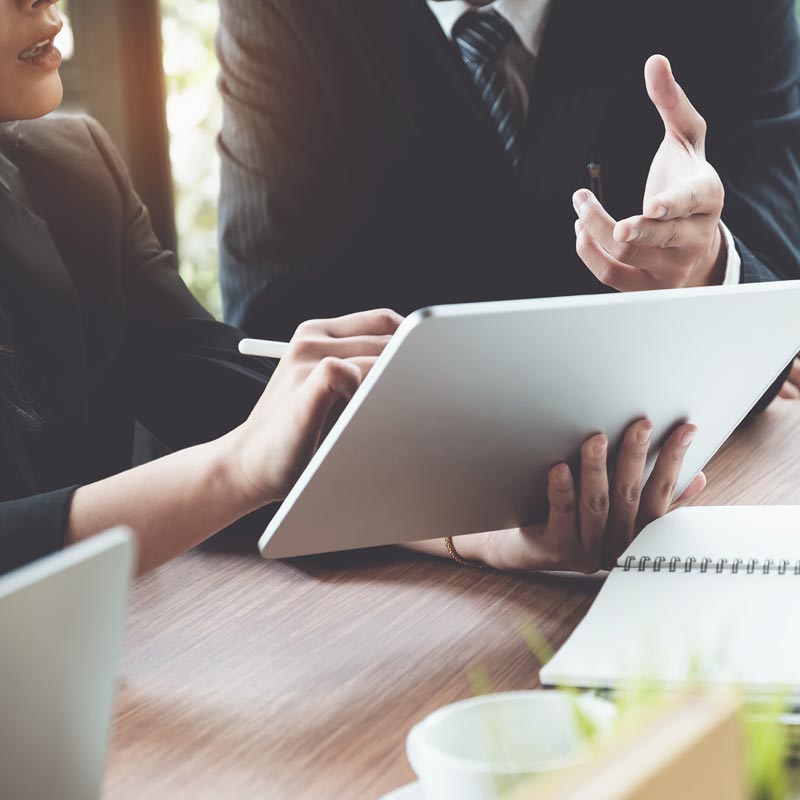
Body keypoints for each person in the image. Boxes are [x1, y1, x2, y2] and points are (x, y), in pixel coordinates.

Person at [0, 0, 702, 579]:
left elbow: (226, 410)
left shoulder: (72, 174)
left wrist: (479, 531)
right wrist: (230, 471)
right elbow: (234, 456)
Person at [216, 0, 800, 401]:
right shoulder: (287, 14)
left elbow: (777, 282)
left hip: (689, 459)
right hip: (408, 494)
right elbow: (274, 335)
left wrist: (709, 269)